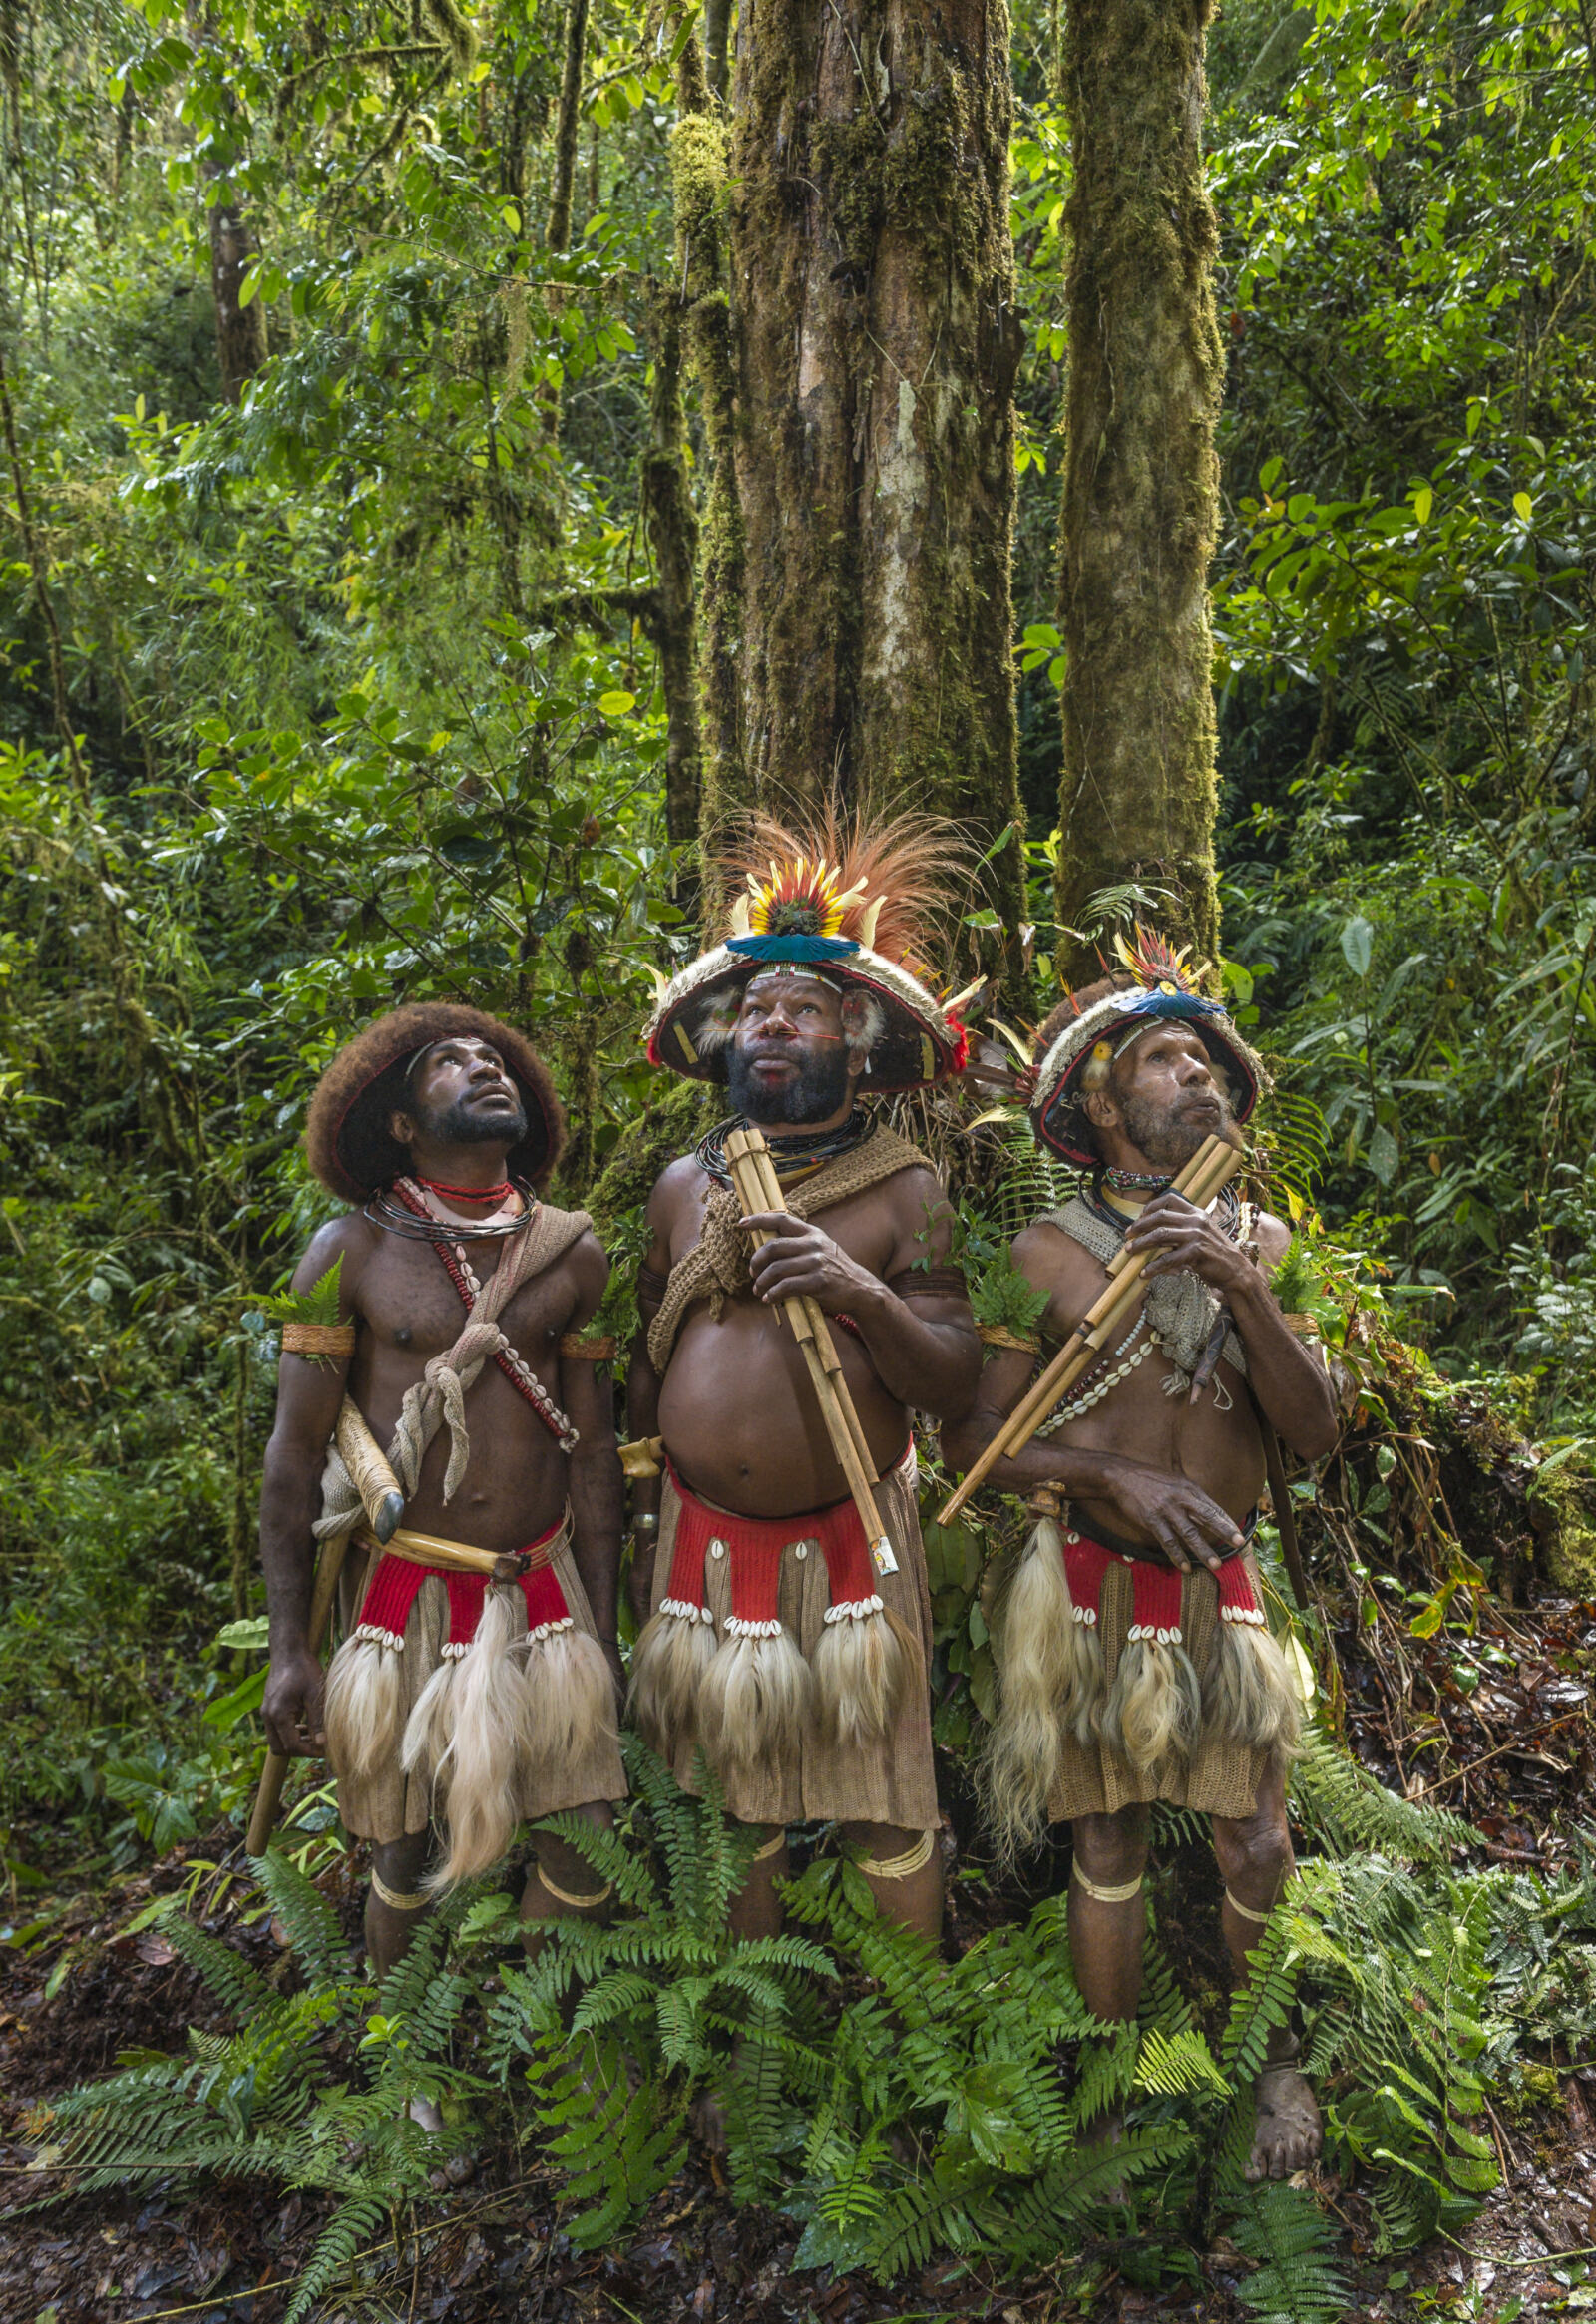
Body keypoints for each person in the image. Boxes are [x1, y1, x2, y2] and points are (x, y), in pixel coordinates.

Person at [941, 929, 1340, 2182]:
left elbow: (1314, 1436)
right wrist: (1114, 1474)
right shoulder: (1042, 1253)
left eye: (1208, 1059)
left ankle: (1266, 2053)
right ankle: (1108, 2083)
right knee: (1104, 1843)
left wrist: (1243, 1283)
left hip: (1220, 1586)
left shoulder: (1263, 1243)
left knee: (1258, 1842)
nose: (1198, 1076)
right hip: (1093, 1586)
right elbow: (977, 1452)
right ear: (1104, 1102)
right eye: (1168, 1060)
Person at [625, 812, 982, 1989]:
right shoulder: (685, 1186)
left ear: (856, 1037)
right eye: (756, 1008)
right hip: (703, 1542)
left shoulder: (903, 1187)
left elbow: (953, 1376)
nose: (773, 1023)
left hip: (850, 1534)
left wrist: (860, 1293)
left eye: (806, 1010)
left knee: (887, 1796)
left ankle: (907, 2041)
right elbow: (648, 1354)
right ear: (726, 1038)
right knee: (739, 1796)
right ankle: (753, 2041)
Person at [259, 1004, 627, 2034]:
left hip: (543, 1590)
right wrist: (289, 1648)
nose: (484, 1065)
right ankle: (410, 2078)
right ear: (402, 1128)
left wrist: (603, 1623)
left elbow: (593, 1457)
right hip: (404, 1590)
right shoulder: (351, 1253)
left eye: (496, 1057)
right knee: (402, 1846)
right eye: (450, 1062)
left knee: (582, 1832)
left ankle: (548, 2059)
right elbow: (293, 1460)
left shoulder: (573, 1254)